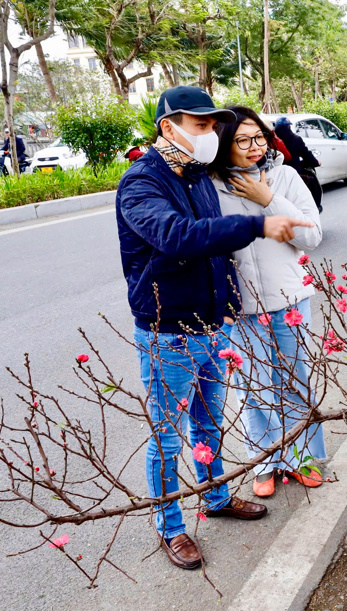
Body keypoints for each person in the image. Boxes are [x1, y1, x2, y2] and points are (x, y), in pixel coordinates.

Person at [116, 86, 313, 571]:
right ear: (169, 126)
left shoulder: (200, 176)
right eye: (201, 126)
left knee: (208, 422)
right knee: (167, 435)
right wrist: (258, 225)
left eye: (211, 125)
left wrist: (226, 305)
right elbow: (175, 236)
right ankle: (171, 527)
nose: (210, 135)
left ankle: (217, 497)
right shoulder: (141, 183)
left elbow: (217, 251)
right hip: (168, 330)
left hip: (212, 326)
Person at [210, 106, 326, 498]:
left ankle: (304, 457)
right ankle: (266, 461)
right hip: (240, 307)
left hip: (289, 299)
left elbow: (310, 236)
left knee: (295, 379)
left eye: (259, 137)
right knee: (253, 387)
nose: (254, 147)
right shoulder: (210, 186)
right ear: (224, 144)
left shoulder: (285, 177)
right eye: (242, 140)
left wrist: (268, 197)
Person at [273, 117, 322, 213]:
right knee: (312, 182)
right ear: (289, 127)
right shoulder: (295, 139)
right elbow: (306, 154)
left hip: (274, 174)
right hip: (294, 173)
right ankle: (315, 208)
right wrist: (316, 163)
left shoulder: (272, 140)